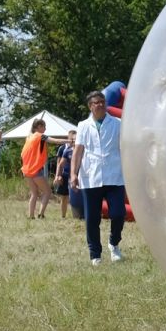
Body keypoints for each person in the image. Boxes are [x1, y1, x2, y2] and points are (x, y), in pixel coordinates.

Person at [74, 90, 126, 264]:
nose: (101, 105)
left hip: (114, 175)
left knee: (119, 213)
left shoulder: (118, 123)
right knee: (92, 219)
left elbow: (125, 148)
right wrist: (73, 174)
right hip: (91, 176)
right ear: (90, 106)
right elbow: (78, 151)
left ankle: (114, 242)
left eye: (102, 101)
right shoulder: (83, 125)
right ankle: (95, 254)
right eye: (96, 102)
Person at [21, 118, 50, 219]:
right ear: (38, 127)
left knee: (34, 193)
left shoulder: (29, 137)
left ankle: (31, 216)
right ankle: (41, 214)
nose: (45, 128)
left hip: (26, 170)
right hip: (35, 170)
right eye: (44, 126)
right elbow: (55, 140)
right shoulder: (40, 135)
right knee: (47, 192)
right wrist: (70, 140)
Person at [53, 130, 76, 219]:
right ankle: (63, 216)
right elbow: (59, 163)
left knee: (75, 196)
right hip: (65, 175)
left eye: (73, 139)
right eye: (71, 139)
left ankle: (77, 214)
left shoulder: (80, 148)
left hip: (75, 175)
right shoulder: (63, 148)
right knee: (64, 196)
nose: (72, 141)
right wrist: (58, 176)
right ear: (68, 138)